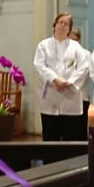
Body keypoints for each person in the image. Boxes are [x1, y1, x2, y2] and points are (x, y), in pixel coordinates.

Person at [34, 12, 89, 140]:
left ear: (69, 29)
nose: (63, 26)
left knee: (71, 136)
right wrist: (55, 79)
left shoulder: (75, 46)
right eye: (61, 22)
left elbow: (84, 66)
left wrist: (69, 82)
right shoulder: (44, 45)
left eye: (67, 24)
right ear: (54, 25)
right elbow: (40, 65)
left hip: (69, 96)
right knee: (50, 135)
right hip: (50, 96)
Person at [69, 27, 91, 132]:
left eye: (75, 40)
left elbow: (83, 75)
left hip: (81, 98)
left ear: (79, 40)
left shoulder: (86, 55)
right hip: (65, 100)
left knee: (79, 132)